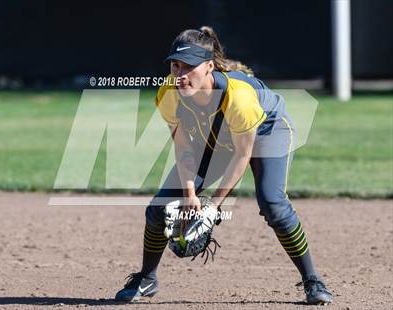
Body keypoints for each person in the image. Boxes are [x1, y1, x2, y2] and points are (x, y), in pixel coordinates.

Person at [114, 26, 333, 305]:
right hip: (215, 137)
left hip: (267, 131)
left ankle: (312, 280)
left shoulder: (239, 98)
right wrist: (191, 196)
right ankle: (146, 279)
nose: (180, 74)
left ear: (208, 67)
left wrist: (213, 207)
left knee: (272, 203)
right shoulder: (169, 93)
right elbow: (183, 148)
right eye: (175, 65)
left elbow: (242, 155)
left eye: (188, 66)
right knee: (160, 208)